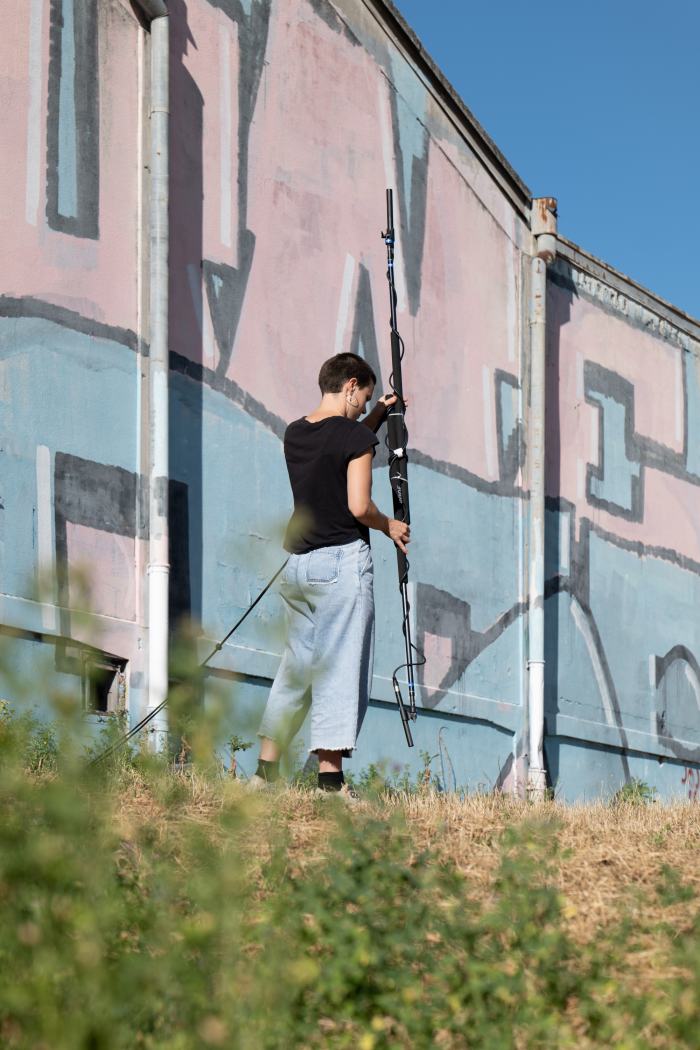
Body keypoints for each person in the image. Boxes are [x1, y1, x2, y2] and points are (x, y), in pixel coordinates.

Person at [248, 352, 410, 797]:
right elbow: (358, 505)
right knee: (340, 668)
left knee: (296, 670)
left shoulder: (295, 432)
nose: (363, 406)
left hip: (299, 566)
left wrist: (377, 414)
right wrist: (389, 526)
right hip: (340, 563)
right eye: (364, 398)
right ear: (351, 385)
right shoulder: (354, 437)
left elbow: (338, 445)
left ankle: (264, 776)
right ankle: (330, 781)